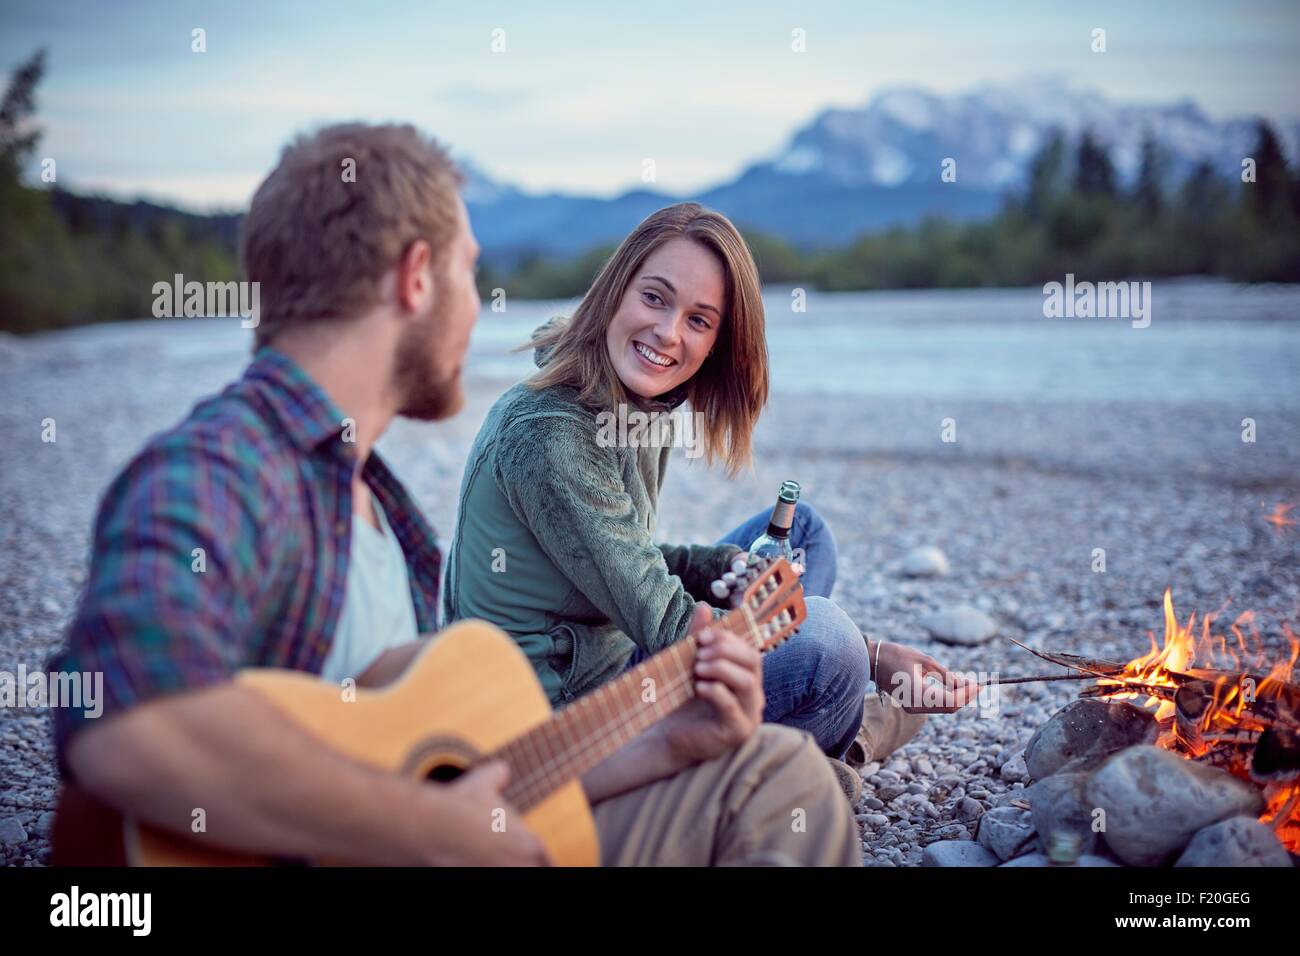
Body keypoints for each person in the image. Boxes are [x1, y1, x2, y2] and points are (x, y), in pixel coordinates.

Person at [45, 122, 860, 866]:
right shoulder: (224, 468)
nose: (481, 311)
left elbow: (475, 778)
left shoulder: (373, 506)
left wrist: (672, 743)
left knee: (777, 765)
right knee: (786, 770)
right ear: (416, 278)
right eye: (471, 272)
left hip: (522, 777)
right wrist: (424, 827)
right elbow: (120, 722)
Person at [442, 202, 977, 798]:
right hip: (565, 709)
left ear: (720, 341)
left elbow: (622, 553)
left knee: (804, 536)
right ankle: (826, 747)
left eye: (699, 320)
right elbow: (672, 627)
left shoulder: (631, 400)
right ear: (616, 291)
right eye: (654, 298)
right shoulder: (552, 435)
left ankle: (797, 744)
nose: (668, 333)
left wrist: (720, 568)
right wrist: (873, 655)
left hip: (611, 637)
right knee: (831, 643)